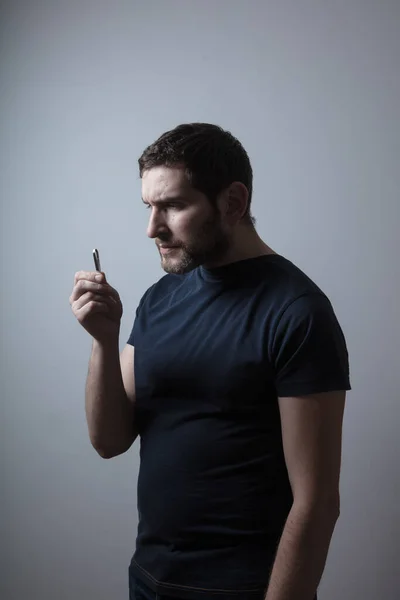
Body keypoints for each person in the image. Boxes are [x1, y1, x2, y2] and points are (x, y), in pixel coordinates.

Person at [70, 123, 351, 600]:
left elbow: (317, 503)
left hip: (242, 589)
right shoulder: (161, 297)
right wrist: (104, 340)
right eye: (149, 207)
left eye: (173, 206)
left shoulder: (297, 312)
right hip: (148, 579)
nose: (152, 227)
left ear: (233, 203)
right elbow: (109, 440)